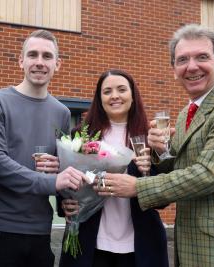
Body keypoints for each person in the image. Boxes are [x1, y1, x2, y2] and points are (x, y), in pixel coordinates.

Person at [97, 24, 214, 266]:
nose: (192, 67)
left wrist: (139, 186)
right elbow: (181, 166)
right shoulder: (183, 114)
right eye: (182, 60)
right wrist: (161, 152)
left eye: (202, 57)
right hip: (192, 247)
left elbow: (207, 175)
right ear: (174, 70)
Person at [0, 29, 86, 267]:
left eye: (47, 56)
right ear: (21, 61)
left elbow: (61, 169)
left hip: (41, 231)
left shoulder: (62, 113)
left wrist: (64, 182)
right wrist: (53, 182)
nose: (39, 62)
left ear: (58, 64)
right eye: (33, 55)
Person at [59, 69, 169, 267]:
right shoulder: (81, 136)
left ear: (133, 96)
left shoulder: (150, 137)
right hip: (91, 242)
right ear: (99, 98)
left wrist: (150, 169)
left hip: (140, 244)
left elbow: (163, 198)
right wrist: (65, 203)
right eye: (107, 91)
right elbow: (65, 179)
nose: (115, 96)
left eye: (121, 90)